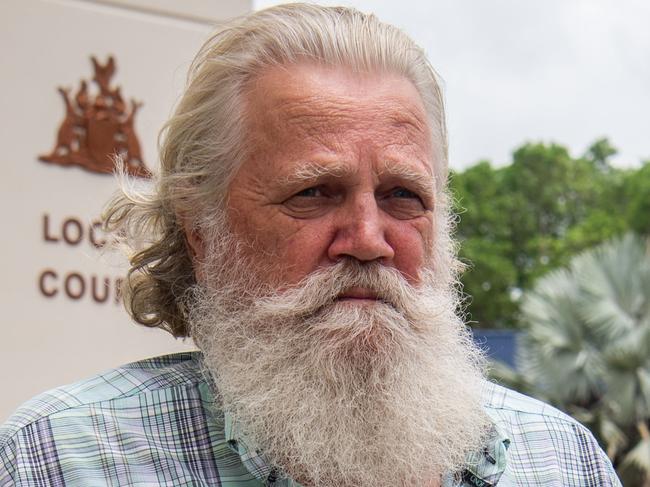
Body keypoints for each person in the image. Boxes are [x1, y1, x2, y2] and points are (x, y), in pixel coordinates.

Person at [0, 4, 621, 486]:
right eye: (314, 193)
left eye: (404, 195)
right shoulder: (62, 459)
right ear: (202, 232)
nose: (370, 239)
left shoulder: (563, 462)